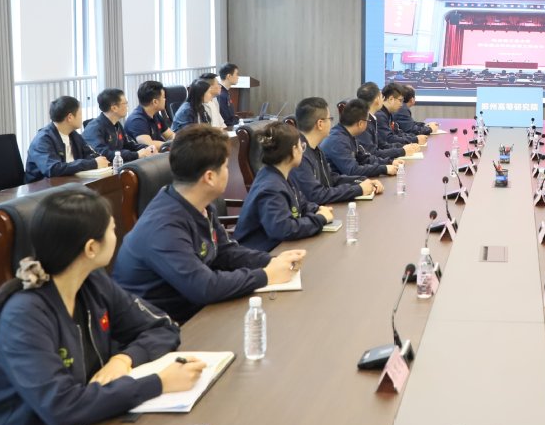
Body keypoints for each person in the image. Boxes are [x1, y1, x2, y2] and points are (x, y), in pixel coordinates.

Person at [0, 187, 202, 425]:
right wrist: (159, 383)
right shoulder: (24, 315)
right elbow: (62, 407)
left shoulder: (92, 283)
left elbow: (162, 327)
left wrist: (124, 359)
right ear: (91, 248)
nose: (117, 236)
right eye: (112, 229)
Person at [111, 125, 306, 322]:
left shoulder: (199, 205)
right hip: (164, 327)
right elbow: (204, 287)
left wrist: (272, 261)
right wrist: (266, 275)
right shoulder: (163, 227)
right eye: (226, 167)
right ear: (210, 177)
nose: (228, 172)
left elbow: (226, 252)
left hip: (196, 313)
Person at [234, 122, 334, 252]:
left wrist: (317, 209)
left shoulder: (281, 175)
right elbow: (283, 229)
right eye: (302, 146)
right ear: (293, 150)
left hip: (278, 247)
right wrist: (320, 219)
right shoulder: (270, 187)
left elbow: (301, 203)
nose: (302, 151)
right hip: (261, 253)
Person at [291, 96, 385, 205]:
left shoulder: (315, 149)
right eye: (330, 119)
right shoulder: (300, 154)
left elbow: (330, 178)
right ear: (320, 124)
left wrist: (361, 181)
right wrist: (358, 189)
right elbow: (317, 195)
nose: (332, 123)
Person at [25, 96, 109, 182]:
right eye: (80, 114)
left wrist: (97, 160)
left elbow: (90, 155)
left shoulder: (73, 135)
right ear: (70, 117)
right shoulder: (42, 140)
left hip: (69, 182)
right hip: (43, 187)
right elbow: (53, 169)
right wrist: (93, 163)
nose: (82, 118)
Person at [319, 99, 401, 179]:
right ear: (361, 123)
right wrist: (384, 169)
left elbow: (364, 159)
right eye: (367, 121)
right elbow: (352, 171)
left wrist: (389, 162)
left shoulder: (347, 134)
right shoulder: (337, 140)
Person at [84, 87, 155, 163]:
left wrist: (147, 148)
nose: (127, 106)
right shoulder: (94, 128)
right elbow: (103, 154)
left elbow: (129, 144)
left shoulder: (116, 124)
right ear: (114, 108)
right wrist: (136, 155)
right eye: (125, 103)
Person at [356, 81, 420, 161]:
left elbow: (382, 144)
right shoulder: (365, 121)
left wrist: (403, 147)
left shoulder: (373, 118)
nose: (383, 99)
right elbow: (372, 153)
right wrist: (401, 151)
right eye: (381, 96)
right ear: (377, 100)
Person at [125, 80, 174, 147]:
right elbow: (148, 145)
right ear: (155, 102)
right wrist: (171, 144)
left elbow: (170, 135)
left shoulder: (155, 114)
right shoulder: (136, 120)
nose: (165, 100)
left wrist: (178, 142)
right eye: (163, 97)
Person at [216, 63, 239, 127]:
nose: (238, 77)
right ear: (229, 76)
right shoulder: (221, 94)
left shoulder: (225, 92)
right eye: (236, 74)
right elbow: (226, 120)